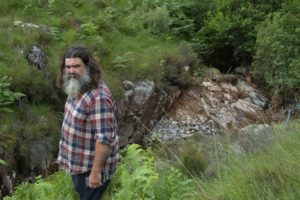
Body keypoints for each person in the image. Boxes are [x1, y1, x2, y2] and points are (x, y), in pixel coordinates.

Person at [56, 45, 119, 200]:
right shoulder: (77, 87)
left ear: (88, 67)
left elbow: (104, 139)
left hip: (90, 168)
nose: (71, 71)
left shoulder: (98, 98)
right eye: (68, 66)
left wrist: (95, 173)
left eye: (76, 66)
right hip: (79, 164)